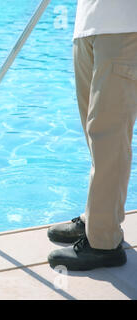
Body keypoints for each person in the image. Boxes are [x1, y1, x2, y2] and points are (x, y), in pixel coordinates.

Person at [47, 0, 137, 271]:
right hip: (88, 24)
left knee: (107, 134)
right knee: (95, 134)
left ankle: (104, 244)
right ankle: (98, 220)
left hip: (123, 26)